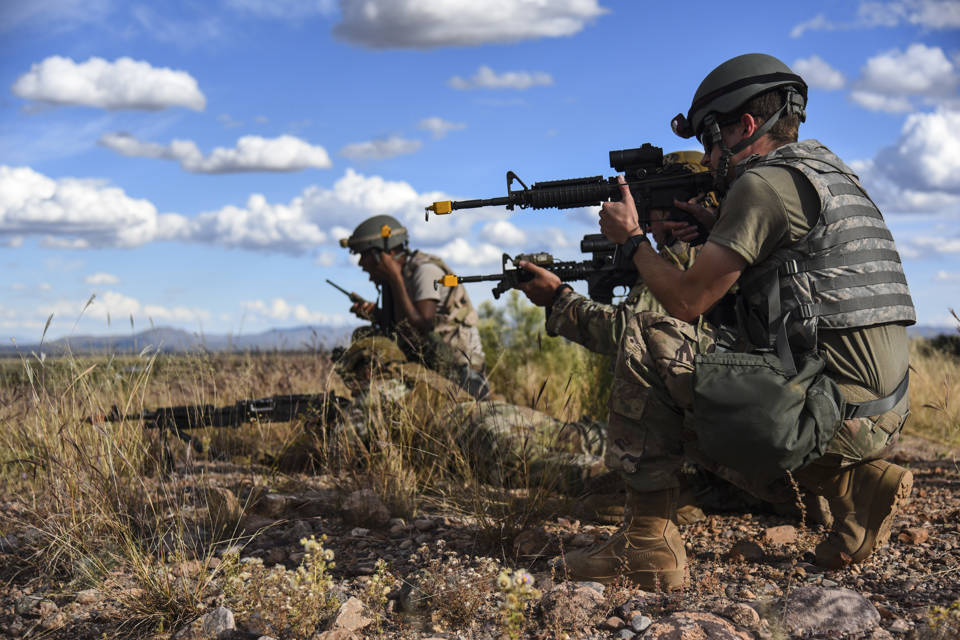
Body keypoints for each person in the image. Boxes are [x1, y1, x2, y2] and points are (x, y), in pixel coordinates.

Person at [517, 53, 915, 590]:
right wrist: (713, 231)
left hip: (829, 409)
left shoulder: (763, 185)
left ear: (746, 127)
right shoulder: (830, 175)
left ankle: (647, 545)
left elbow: (683, 305)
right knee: (702, 372)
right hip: (879, 410)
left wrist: (633, 241)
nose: (709, 157)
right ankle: (854, 486)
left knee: (649, 338)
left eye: (711, 139)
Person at [340, 214, 489, 399]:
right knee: (366, 338)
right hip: (431, 363)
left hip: (460, 374)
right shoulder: (400, 275)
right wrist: (376, 314)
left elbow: (421, 325)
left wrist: (395, 278)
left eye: (364, 255)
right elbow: (400, 330)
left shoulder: (424, 271)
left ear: (385, 253)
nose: (361, 263)